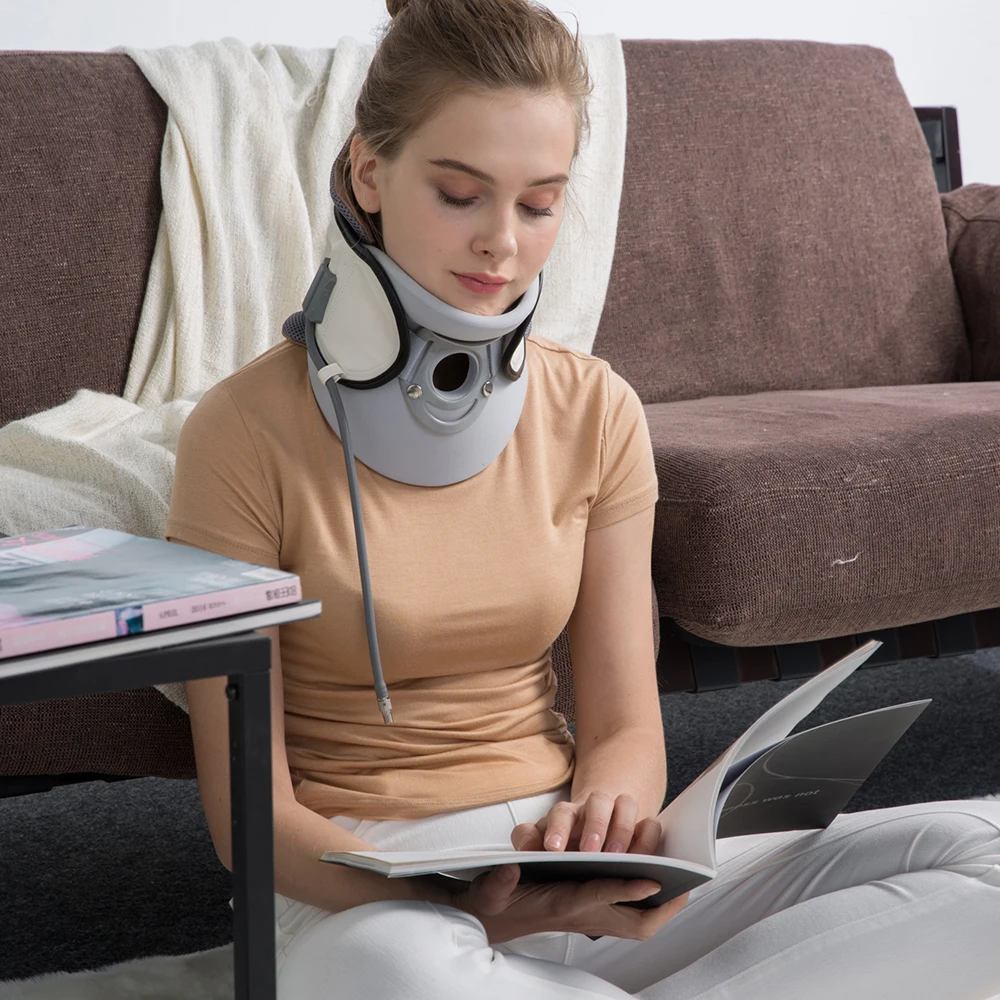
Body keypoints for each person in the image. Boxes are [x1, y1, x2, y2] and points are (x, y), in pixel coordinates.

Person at [167, 1, 1000, 997]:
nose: (500, 244)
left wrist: (608, 809)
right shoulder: (239, 432)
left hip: (568, 874)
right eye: (459, 194)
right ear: (368, 173)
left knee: (982, 854)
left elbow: (622, 729)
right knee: (392, 974)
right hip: (372, 901)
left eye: (538, 204)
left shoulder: (595, 410)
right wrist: (470, 906)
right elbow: (250, 822)